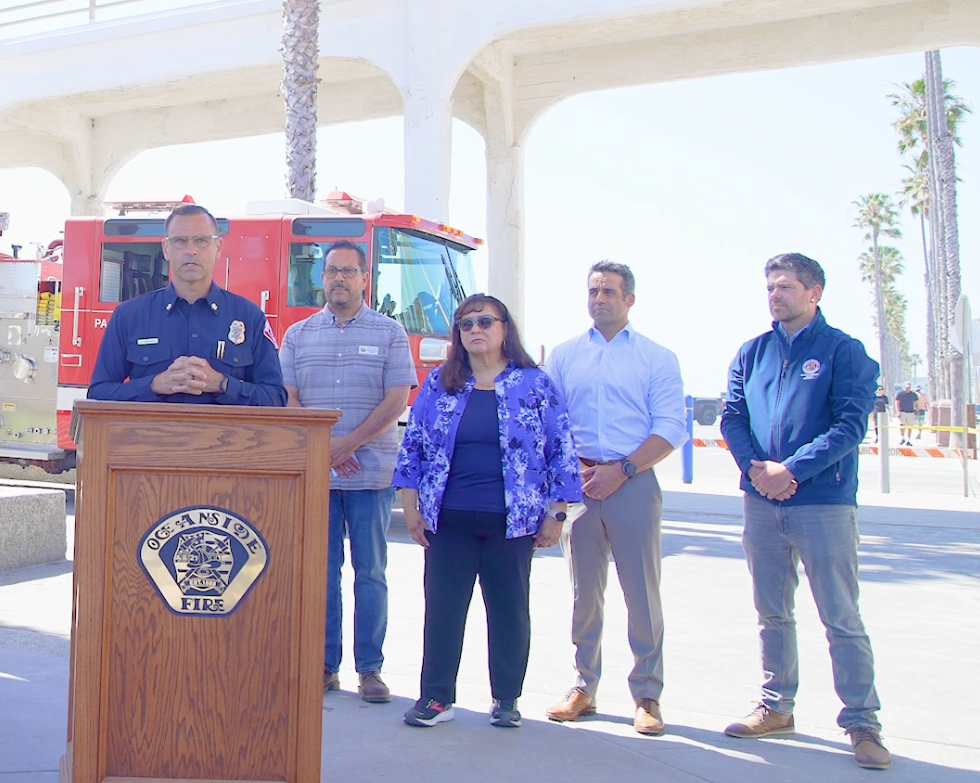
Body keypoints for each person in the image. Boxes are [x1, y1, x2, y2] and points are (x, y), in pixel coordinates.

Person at [720, 253, 889, 770]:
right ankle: (776, 708)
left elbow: (849, 426)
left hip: (822, 503)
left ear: (814, 292)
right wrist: (755, 470)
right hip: (761, 503)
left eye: (787, 286)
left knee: (841, 617)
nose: (776, 295)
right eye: (770, 286)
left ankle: (863, 723)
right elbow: (732, 416)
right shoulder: (753, 353)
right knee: (772, 612)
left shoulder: (845, 352)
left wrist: (790, 470)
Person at [393, 294, 581, 730]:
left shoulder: (535, 384)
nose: (475, 330)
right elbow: (414, 445)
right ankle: (437, 698)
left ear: (504, 329)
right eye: (466, 324)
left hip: (512, 523)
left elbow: (561, 449)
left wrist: (556, 513)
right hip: (449, 519)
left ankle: (507, 699)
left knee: (509, 610)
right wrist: (410, 503)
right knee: (442, 610)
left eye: (485, 322)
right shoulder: (441, 382)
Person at [542, 262, 687, 736]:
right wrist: (574, 475)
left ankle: (647, 694)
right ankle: (585, 684)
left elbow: (670, 428)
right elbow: (550, 422)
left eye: (609, 291)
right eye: (593, 290)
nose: (599, 298)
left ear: (630, 299)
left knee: (641, 592)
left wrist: (622, 471)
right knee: (585, 593)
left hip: (633, 481)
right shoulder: (563, 356)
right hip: (580, 484)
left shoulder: (656, 357)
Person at [280, 240, 416, 704]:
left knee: (370, 572)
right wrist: (326, 450)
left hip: (370, 475)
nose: (340, 279)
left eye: (349, 272)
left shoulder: (390, 333)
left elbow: (397, 399)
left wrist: (347, 444)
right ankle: (323, 664)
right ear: (322, 278)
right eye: (332, 271)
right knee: (320, 573)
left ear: (364, 279)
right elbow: (288, 399)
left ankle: (370, 669)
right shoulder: (297, 335)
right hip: (316, 475)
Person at [87, 203, 286, 405]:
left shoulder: (249, 316)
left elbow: (275, 398)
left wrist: (222, 384)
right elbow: (99, 392)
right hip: (151, 436)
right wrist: (154, 385)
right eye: (180, 241)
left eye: (201, 241)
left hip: (223, 436)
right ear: (166, 249)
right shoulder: (129, 316)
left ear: (218, 248)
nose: (191, 250)